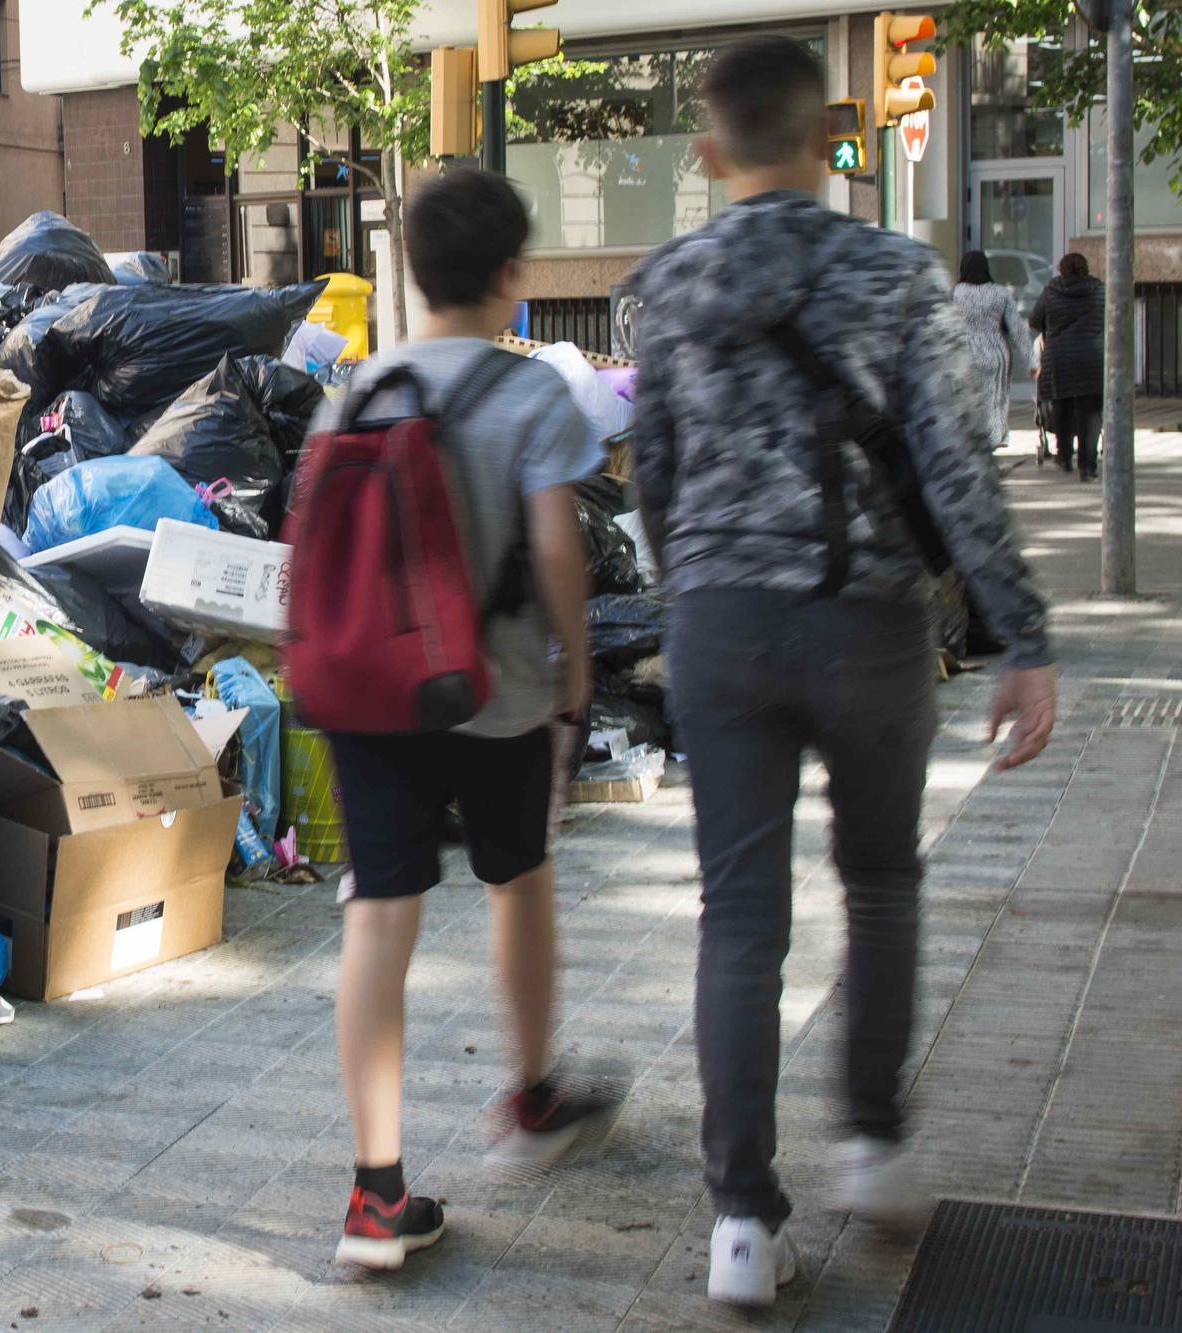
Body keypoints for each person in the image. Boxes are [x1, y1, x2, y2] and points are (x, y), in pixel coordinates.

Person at [628, 36, 1058, 1308]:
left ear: (708, 153)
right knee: (877, 885)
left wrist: (689, 585)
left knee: (738, 915)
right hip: (866, 624)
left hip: (717, 622)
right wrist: (1020, 635)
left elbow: (650, 471)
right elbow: (953, 467)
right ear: (829, 140)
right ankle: (871, 1146)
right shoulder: (894, 273)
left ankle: (742, 1224)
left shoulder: (665, 284)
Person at [312, 168, 617, 1271]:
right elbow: (552, 551)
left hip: (369, 694)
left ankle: (375, 1196)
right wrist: (572, 673)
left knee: (377, 915)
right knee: (518, 879)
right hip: (492, 693)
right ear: (508, 278)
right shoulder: (530, 393)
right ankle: (532, 1094)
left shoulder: (351, 388)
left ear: (409, 271)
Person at [1030, 251, 1106, 481]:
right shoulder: (1100, 290)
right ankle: (1088, 465)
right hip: (1091, 359)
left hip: (1059, 359)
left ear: (1061, 270)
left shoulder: (1051, 291)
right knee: (1090, 414)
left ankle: (1064, 458)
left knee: (1061, 407)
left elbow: (1034, 320)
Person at [952, 250, 1028, 448]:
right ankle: (993, 438)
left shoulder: (955, 294)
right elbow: (1018, 329)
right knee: (996, 399)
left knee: (966, 399)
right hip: (996, 354)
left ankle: (971, 440)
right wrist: (1033, 360)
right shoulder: (1000, 293)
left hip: (964, 354)